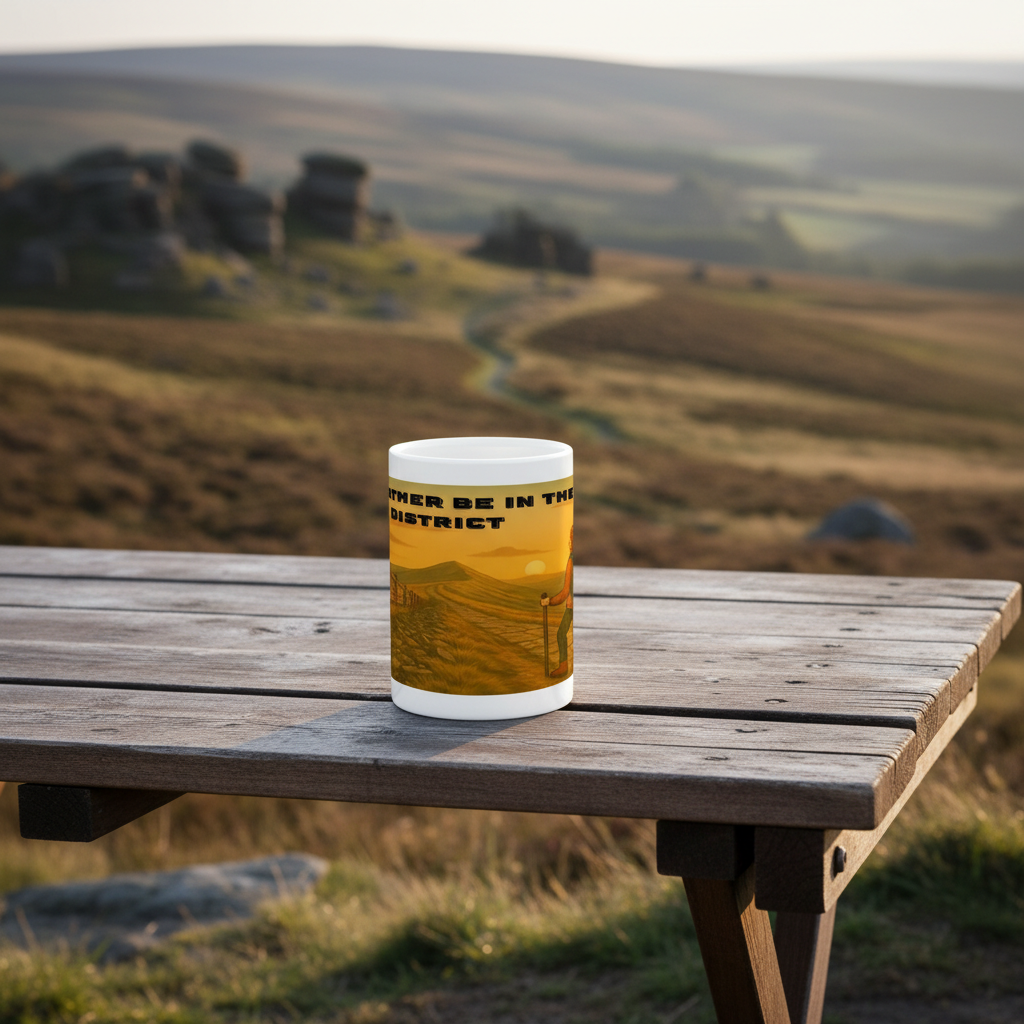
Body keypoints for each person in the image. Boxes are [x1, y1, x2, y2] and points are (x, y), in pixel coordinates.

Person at [540, 526, 572, 678]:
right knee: (562, 633)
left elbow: (565, 593)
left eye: (571, 539)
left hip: (570, 606)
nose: (570, 543)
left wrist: (549, 602)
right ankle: (564, 665)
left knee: (561, 633)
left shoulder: (571, 560)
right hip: (571, 606)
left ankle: (563, 666)